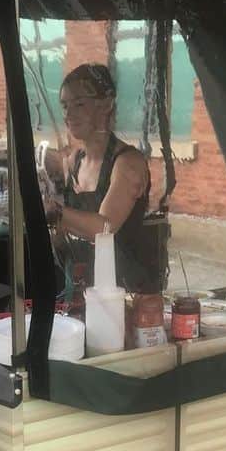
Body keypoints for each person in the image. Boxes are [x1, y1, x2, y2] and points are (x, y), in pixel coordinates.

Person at [46, 63, 164, 293]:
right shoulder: (74, 161)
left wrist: (54, 211)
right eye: (65, 106)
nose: (69, 114)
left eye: (79, 104)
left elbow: (105, 227)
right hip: (81, 288)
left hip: (124, 291)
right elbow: (65, 233)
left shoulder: (128, 162)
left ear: (107, 104)